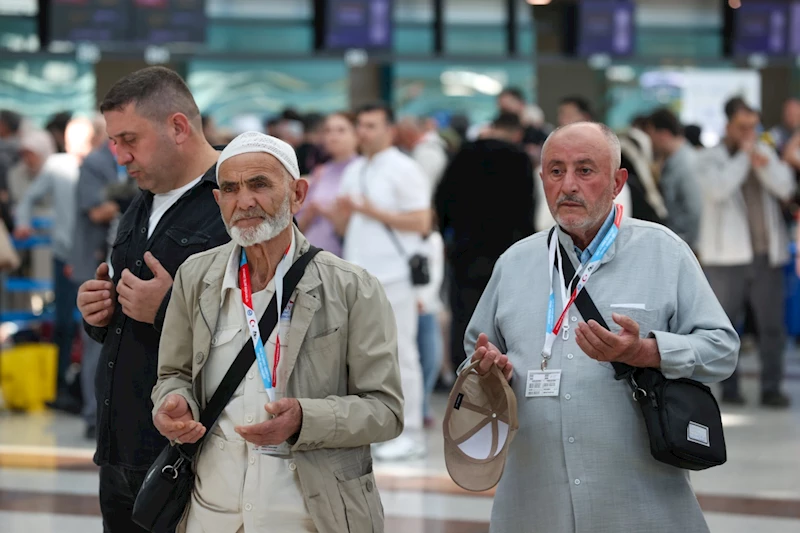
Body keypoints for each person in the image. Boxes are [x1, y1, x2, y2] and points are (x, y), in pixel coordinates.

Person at [463, 121, 739, 533]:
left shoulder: (663, 252)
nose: (568, 184)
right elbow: (472, 359)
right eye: (556, 171)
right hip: (536, 504)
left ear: (617, 181)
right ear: (542, 179)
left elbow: (722, 349)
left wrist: (645, 352)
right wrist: (485, 373)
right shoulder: (515, 263)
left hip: (637, 503)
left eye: (585, 170)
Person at [151, 131, 403, 533]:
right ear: (219, 202)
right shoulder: (195, 277)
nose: (244, 201)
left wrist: (306, 418)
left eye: (260, 185)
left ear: (298, 194)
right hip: (210, 514)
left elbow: (386, 411)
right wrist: (173, 404)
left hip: (309, 516)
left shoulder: (352, 287)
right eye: (230, 189)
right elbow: (172, 376)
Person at [75, 66, 231, 531]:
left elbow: (271, 326)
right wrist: (98, 312)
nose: (120, 156)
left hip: (188, 452)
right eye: (114, 143)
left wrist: (167, 311)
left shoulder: (237, 198)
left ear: (178, 127)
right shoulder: (142, 198)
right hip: (121, 445)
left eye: (130, 139)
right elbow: (128, 312)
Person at [334, 102, 431, 461]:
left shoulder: (405, 169)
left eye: (371, 125)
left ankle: (412, 431)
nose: (363, 132)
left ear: (389, 130)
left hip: (394, 276)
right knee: (361, 358)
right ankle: (374, 428)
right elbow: (344, 227)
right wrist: (343, 214)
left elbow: (421, 221)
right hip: (357, 275)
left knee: (401, 353)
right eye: (360, 125)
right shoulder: (355, 169)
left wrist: (370, 210)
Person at [697, 99, 795, 408]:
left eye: (754, 127)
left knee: (772, 328)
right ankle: (730, 390)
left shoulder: (761, 153)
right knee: (726, 326)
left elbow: (786, 188)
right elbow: (718, 189)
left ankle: (771, 388)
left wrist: (761, 163)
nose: (749, 133)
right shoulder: (709, 158)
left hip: (766, 255)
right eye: (743, 127)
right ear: (727, 126)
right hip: (726, 259)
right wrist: (744, 157)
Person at [14, 116, 106, 411]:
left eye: (79, 138)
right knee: (64, 323)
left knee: (92, 327)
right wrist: (24, 223)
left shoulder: (103, 166)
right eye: (70, 138)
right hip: (64, 256)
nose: (73, 144)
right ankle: (62, 387)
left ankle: (89, 397)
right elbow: (28, 199)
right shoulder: (58, 166)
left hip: (94, 257)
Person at [435, 112, 536, 376]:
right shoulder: (520, 158)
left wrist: (448, 235)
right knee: (507, 314)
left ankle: (466, 376)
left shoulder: (464, 154)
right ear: (516, 132)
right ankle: (506, 371)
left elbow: (441, 201)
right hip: (508, 251)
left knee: (465, 316)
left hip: (466, 251)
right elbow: (528, 209)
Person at [71, 134, 127, 438]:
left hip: (118, 264)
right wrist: (128, 199)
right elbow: (96, 210)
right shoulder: (94, 163)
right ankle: (94, 415)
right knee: (94, 340)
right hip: (95, 265)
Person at [296, 112, 358, 257]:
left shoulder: (361, 171)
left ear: (356, 134)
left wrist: (326, 211)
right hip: (310, 256)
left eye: (341, 130)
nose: (333, 136)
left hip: (342, 260)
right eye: (328, 130)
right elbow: (298, 225)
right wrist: (311, 212)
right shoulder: (321, 172)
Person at [645, 108, 703, 249]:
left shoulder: (686, 164)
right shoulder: (671, 162)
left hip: (685, 245)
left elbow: (695, 211)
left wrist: (690, 249)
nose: (650, 143)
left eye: (651, 136)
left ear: (664, 134)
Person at [395, 115, 449, 190]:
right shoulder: (425, 149)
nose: (397, 141)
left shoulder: (427, 153)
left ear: (409, 134)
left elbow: (422, 188)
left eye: (399, 136)